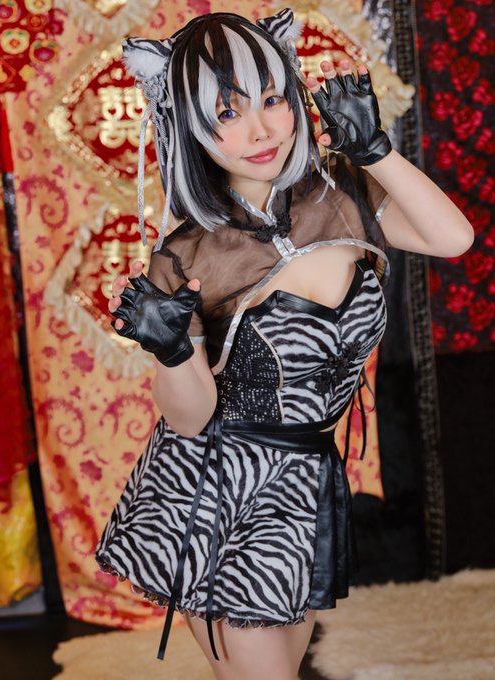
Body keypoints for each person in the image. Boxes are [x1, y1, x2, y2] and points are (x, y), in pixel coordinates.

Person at [95, 9, 473, 680]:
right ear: (190, 124)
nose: (262, 129)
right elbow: (190, 417)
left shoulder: (342, 193)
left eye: (273, 99)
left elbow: (453, 239)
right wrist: (172, 352)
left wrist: (375, 151)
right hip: (213, 484)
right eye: (228, 112)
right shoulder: (187, 253)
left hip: (305, 481)